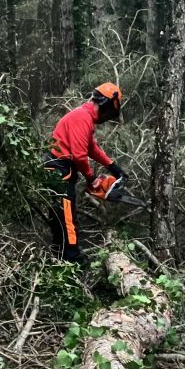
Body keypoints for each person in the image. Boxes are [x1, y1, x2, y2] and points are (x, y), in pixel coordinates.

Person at [43, 82, 127, 264]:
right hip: (59, 170)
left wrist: (113, 166)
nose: (107, 118)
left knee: (61, 216)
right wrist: (91, 179)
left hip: (59, 168)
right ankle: (72, 258)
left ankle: (59, 255)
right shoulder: (82, 117)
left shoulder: (84, 116)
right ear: (106, 106)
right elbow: (80, 155)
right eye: (110, 114)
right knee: (67, 217)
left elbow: (91, 148)